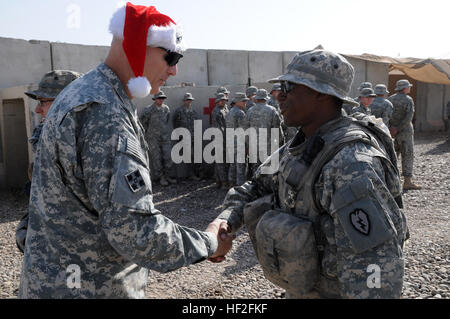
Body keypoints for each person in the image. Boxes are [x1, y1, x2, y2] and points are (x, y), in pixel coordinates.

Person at [19, 3, 232, 299]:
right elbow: (134, 232)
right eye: (170, 56)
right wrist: (208, 243)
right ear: (137, 46)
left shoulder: (86, 93)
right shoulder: (105, 113)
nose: (174, 69)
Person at [213, 49, 407, 299]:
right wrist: (224, 222)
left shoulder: (351, 164)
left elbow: (377, 269)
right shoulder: (302, 145)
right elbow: (256, 187)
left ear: (320, 93)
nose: (280, 96)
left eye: (289, 87)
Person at [15, 70, 82, 254]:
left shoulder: (87, 142)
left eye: (43, 102)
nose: (37, 109)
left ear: (67, 100)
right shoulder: (47, 132)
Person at [388, 79, 422, 190]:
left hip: (392, 133)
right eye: (408, 86)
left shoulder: (390, 99)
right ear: (404, 88)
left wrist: (392, 128)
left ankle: (390, 182)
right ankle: (407, 182)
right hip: (405, 132)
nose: (410, 88)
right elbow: (408, 117)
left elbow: (387, 115)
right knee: (407, 155)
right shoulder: (408, 100)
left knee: (392, 156)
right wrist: (398, 128)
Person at [140, 91, 176, 186]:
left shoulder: (166, 109)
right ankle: (161, 177)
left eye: (162, 98)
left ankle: (167, 175)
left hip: (164, 137)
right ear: (155, 99)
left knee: (168, 157)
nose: (161, 100)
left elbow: (166, 120)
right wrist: (149, 134)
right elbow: (143, 123)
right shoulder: (148, 110)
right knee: (156, 158)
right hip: (153, 138)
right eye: (159, 98)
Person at [245, 89, 284, 178]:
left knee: (255, 171)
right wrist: (281, 143)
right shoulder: (272, 110)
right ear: (265, 99)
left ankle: (256, 190)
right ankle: (267, 190)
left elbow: (246, 131)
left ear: (257, 99)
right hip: (268, 147)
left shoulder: (250, 111)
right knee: (268, 171)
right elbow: (277, 130)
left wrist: (248, 146)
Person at [172, 92, 202, 180]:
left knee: (196, 155)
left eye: (190, 100)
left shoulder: (194, 111)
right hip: (184, 138)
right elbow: (175, 124)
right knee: (189, 156)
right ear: (184, 101)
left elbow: (196, 124)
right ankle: (191, 174)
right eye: (187, 100)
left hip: (194, 137)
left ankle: (198, 172)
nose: (189, 101)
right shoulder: (179, 111)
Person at [225, 92, 249, 187]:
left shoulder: (230, 112)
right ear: (238, 102)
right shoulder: (240, 113)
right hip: (239, 143)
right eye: (243, 101)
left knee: (233, 165)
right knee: (241, 166)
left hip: (230, 142)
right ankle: (240, 187)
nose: (245, 103)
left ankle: (231, 183)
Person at [212, 93, 230, 189]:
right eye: (221, 100)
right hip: (219, 138)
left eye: (224, 100)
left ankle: (218, 181)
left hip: (224, 138)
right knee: (220, 162)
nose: (223, 101)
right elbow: (219, 128)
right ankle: (223, 182)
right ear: (217, 101)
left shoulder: (225, 109)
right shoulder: (217, 111)